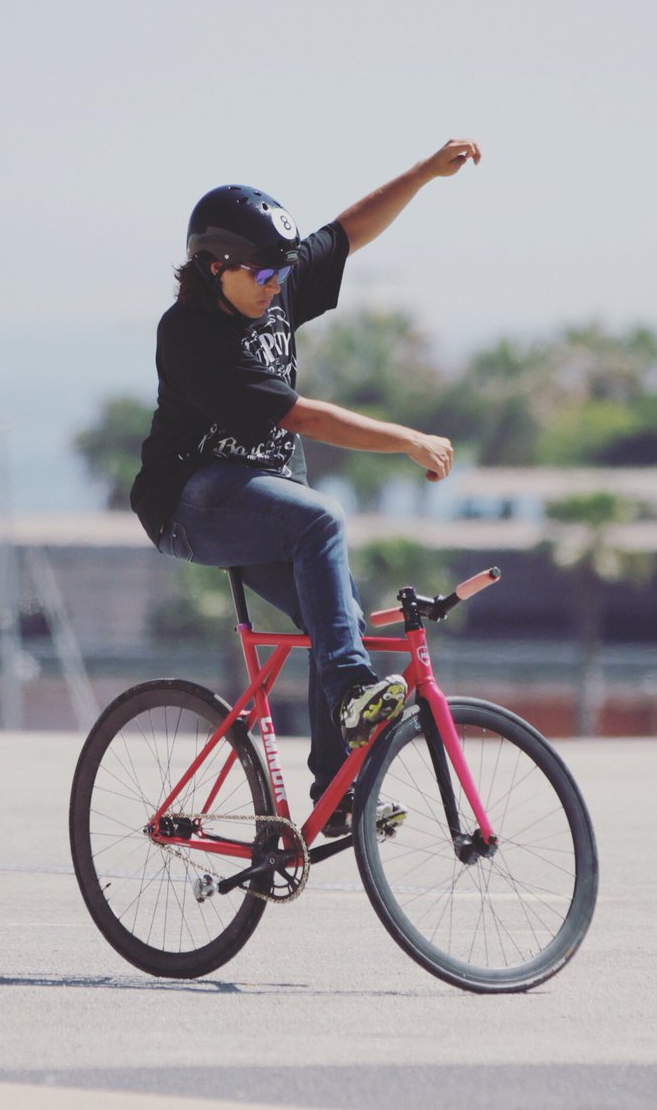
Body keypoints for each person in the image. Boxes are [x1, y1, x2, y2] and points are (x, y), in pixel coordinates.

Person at [130, 139, 480, 834]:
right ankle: (352, 692)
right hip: (192, 500)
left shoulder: (275, 284)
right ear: (212, 265)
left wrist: (424, 173)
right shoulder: (191, 333)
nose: (273, 282)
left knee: (337, 614)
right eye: (259, 271)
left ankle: (336, 790)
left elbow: (347, 232)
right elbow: (299, 416)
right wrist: (406, 439)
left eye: (280, 270)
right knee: (322, 523)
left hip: (261, 496)